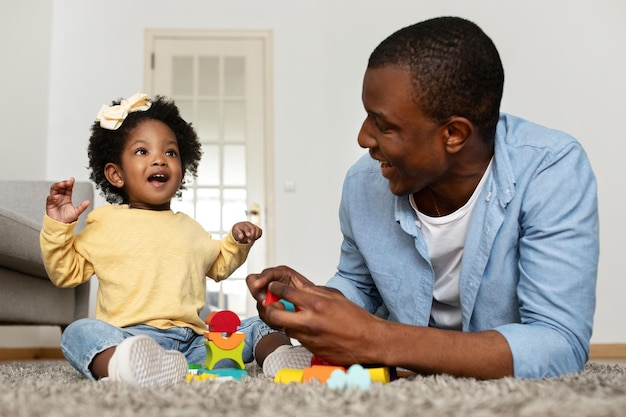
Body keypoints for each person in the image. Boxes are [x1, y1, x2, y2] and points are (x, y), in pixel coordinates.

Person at [244, 16, 599, 380]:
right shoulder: (363, 183)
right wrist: (313, 300)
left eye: (383, 125)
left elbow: (559, 343)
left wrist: (377, 339)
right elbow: (360, 285)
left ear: (454, 134)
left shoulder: (550, 170)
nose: (363, 138)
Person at [40, 93, 262, 386]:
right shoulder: (104, 223)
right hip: (128, 338)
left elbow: (219, 265)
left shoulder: (190, 228)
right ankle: (126, 366)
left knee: (263, 323)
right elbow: (64, 273)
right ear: (116, 175)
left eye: (170, 153)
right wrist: (58, 226)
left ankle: (278, 356)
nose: (159, 159)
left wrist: (236, 241)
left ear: (182, 171)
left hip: (192, 343)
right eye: (142, 152)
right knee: (78, 333)